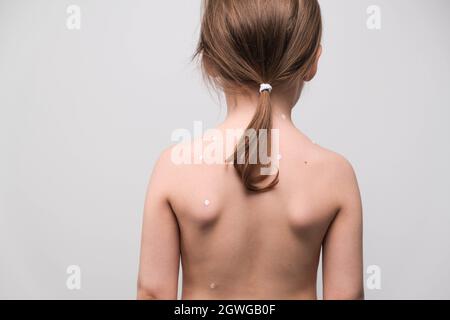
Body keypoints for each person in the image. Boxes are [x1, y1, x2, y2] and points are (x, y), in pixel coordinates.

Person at [137, 0, 363, 300]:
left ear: (209, 61)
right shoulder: (335, 175)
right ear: (312, 63)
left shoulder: (175, 166)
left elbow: (153, 293)